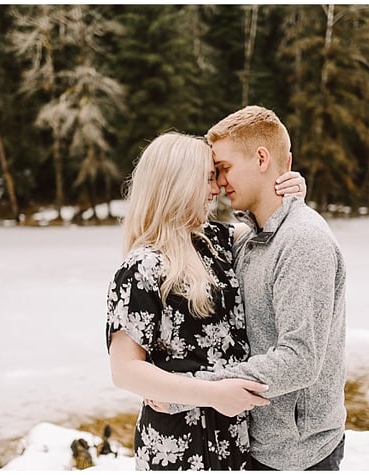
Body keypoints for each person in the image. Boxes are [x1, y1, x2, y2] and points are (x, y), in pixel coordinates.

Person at [151, 106, 348, 470]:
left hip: (298, 457)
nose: (219, 183)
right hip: (254, 445)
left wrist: (190, 393)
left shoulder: (303, 241)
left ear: (261, 158)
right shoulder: (248, 239)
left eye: (223, 169)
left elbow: (300, 360)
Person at [106, 132, 307, 470]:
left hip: (234, 438)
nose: (216, 189)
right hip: (177, 446)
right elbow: (124, 371)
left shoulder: (217, 240)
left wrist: (289, 194)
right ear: (177, 183)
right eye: (208, 178)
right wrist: (213, 394)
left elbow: (274, 233)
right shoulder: (142, 267)